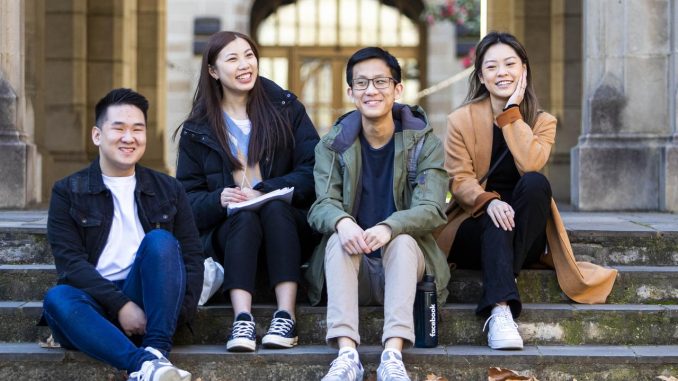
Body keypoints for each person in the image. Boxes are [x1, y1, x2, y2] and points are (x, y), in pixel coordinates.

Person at [437, 31, 617, 350]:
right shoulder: (460, 120)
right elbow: (459, 179)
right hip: (473, 225)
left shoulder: (543, 121)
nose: (501, 72)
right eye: (491, 67)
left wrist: (511, 113)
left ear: (524, 69)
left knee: (537, 184)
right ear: (480, 75)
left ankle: (500, 284)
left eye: (510, 64)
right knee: (495, 222)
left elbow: (532, 163)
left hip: (524, 232)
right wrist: (488, 202)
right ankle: (501, 310)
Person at [306, 47, 451, 381]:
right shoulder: (332, 144)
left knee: (400, 243)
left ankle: (392, 354)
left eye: (380, 81)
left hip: (404, 270)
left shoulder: (423, 143)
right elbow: (321, 206)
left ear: (398, 89)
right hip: (352, 271)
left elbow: (432, 209)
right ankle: (346, 354)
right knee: (338, 241)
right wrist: (342, 222)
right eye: (362, 83)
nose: (371, 90)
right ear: (351, 93)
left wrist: (389, 227)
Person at [42, 88, 203, 381]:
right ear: (97, 136)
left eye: (137, 129)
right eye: (119, 128)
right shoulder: (67, 191)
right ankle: (146, 365)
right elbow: (71, 265)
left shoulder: (169, 189)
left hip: (152, 309)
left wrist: (172, 316)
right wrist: (122, 305)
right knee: (58, 297)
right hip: (95, 306)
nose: (129, 138)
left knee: (161, 241)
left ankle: (155, 349)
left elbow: (192, 259)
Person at [175, 31, 319, 352]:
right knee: (244, 217)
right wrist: (219, 199)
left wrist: (265, 190)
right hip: (233, 234)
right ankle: (242, 318)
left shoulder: (286, 108)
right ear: (213, 71)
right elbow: (186, 200)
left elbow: (314, 170)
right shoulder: (198, 128)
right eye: (233, 58)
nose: (245, 64)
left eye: (249, 55)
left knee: (273, 208)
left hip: (288, 227)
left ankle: (286, 314)